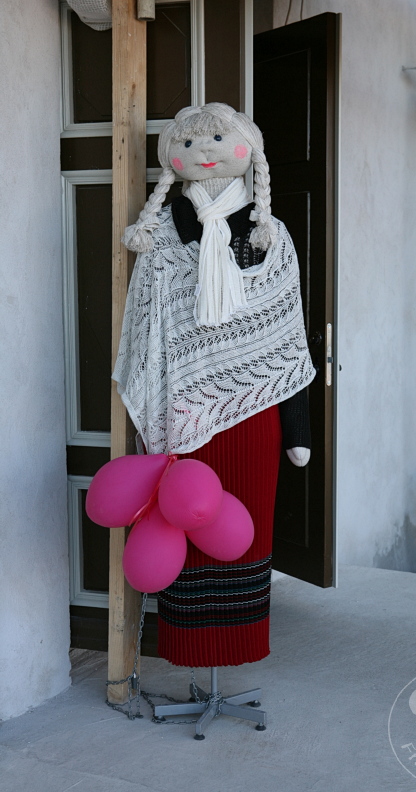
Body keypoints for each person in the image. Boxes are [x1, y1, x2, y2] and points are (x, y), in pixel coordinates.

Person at [113, 102, 315, 667]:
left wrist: (297, 429)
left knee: (247, 529)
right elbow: (153, 332)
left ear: (247, 149)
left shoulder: (268, 235)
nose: (206, 150)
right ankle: (191, 652)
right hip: (185, 419)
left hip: (255, 417)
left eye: (220, 139)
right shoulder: (160, 239)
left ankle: (242, 650)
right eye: (192, 143)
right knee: (188, 528)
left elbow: (284, 335)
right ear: (173, 158)